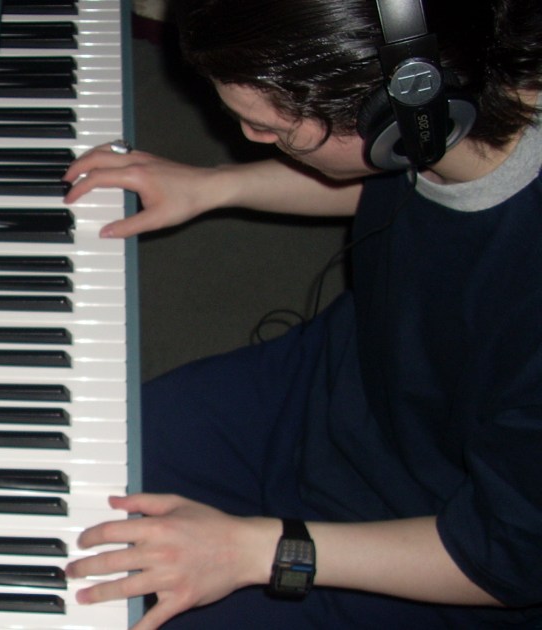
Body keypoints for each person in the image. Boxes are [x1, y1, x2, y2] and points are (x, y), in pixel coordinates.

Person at [60, 0, 542, 627]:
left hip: (436, 541)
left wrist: (250, 552)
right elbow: (393, 179)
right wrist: (215, 186)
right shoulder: (454, 104)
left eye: (273, 130)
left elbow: (505, 558)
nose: (250, 138)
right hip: (340, 380)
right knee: (76, 468)